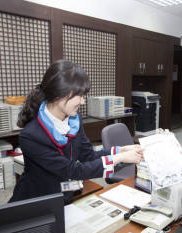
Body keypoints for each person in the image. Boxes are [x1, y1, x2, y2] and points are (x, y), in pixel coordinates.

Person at [9, 60, 143, 204]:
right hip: (37, 202)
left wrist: (121, 151)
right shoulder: (31, 135)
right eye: (79, 95)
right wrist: (119, 158)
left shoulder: (73, 120)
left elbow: (89, 155)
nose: (83, 102)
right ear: (58, 94)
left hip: (65, 193)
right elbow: (73, 170)